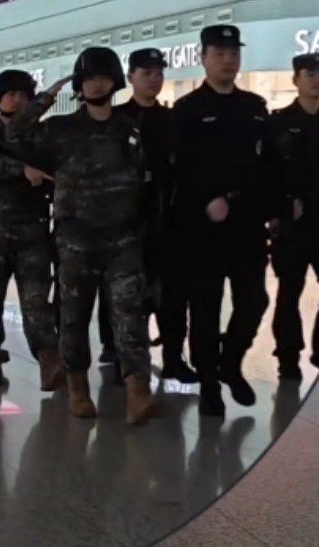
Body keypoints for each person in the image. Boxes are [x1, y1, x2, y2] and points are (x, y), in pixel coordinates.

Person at [6, 47, 153, 425]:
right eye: (88, 78)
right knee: (73, 315)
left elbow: (146, 182)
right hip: (76, 240)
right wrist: (44, 98)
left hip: (123, 239)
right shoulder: (59, 129)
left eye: (102, 77)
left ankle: (138, 387)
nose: (96, 84)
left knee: (129, 315)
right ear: (79, 85)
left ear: (115, 81)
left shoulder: (130, 129)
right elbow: (15, 134)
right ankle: (77, 385)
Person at [171, 25, 271, 417]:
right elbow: (180, 169)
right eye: (219, 53)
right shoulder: (188, 110)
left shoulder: (254, 107)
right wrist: (207, 199)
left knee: (254, 301)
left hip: (248, 225)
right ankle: (209, 382)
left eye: (233, 53)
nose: (228, 60)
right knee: (206, 309)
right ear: (203, 58)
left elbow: (266, 164)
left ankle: (231, 361)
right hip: (204, 228)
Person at [0, 69, 63, 390]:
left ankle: (49, 360)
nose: (17, 100)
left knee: (37, 303)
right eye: (11, 94)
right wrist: (21, 169)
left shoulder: (40, 137)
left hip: (32, 231)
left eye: (23, 95)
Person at [114, 47, 198, 384]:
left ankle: (174, 359)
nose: (154, 79)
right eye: (146, 73)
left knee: (173, 297)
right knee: (128, 297)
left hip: (169, 220)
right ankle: (126, 361)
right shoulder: (118, 120)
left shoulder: (173, 120)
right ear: (131, 77)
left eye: (159, 73)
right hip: (126, 220)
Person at [266, 53, 319, 380]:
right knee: (290, 292)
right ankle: (288, 357)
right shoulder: (279, 122)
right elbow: (268, 173)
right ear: (296, 80)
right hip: (293, 225)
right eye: (310, 74)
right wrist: (278, 211)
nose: (318, 80)